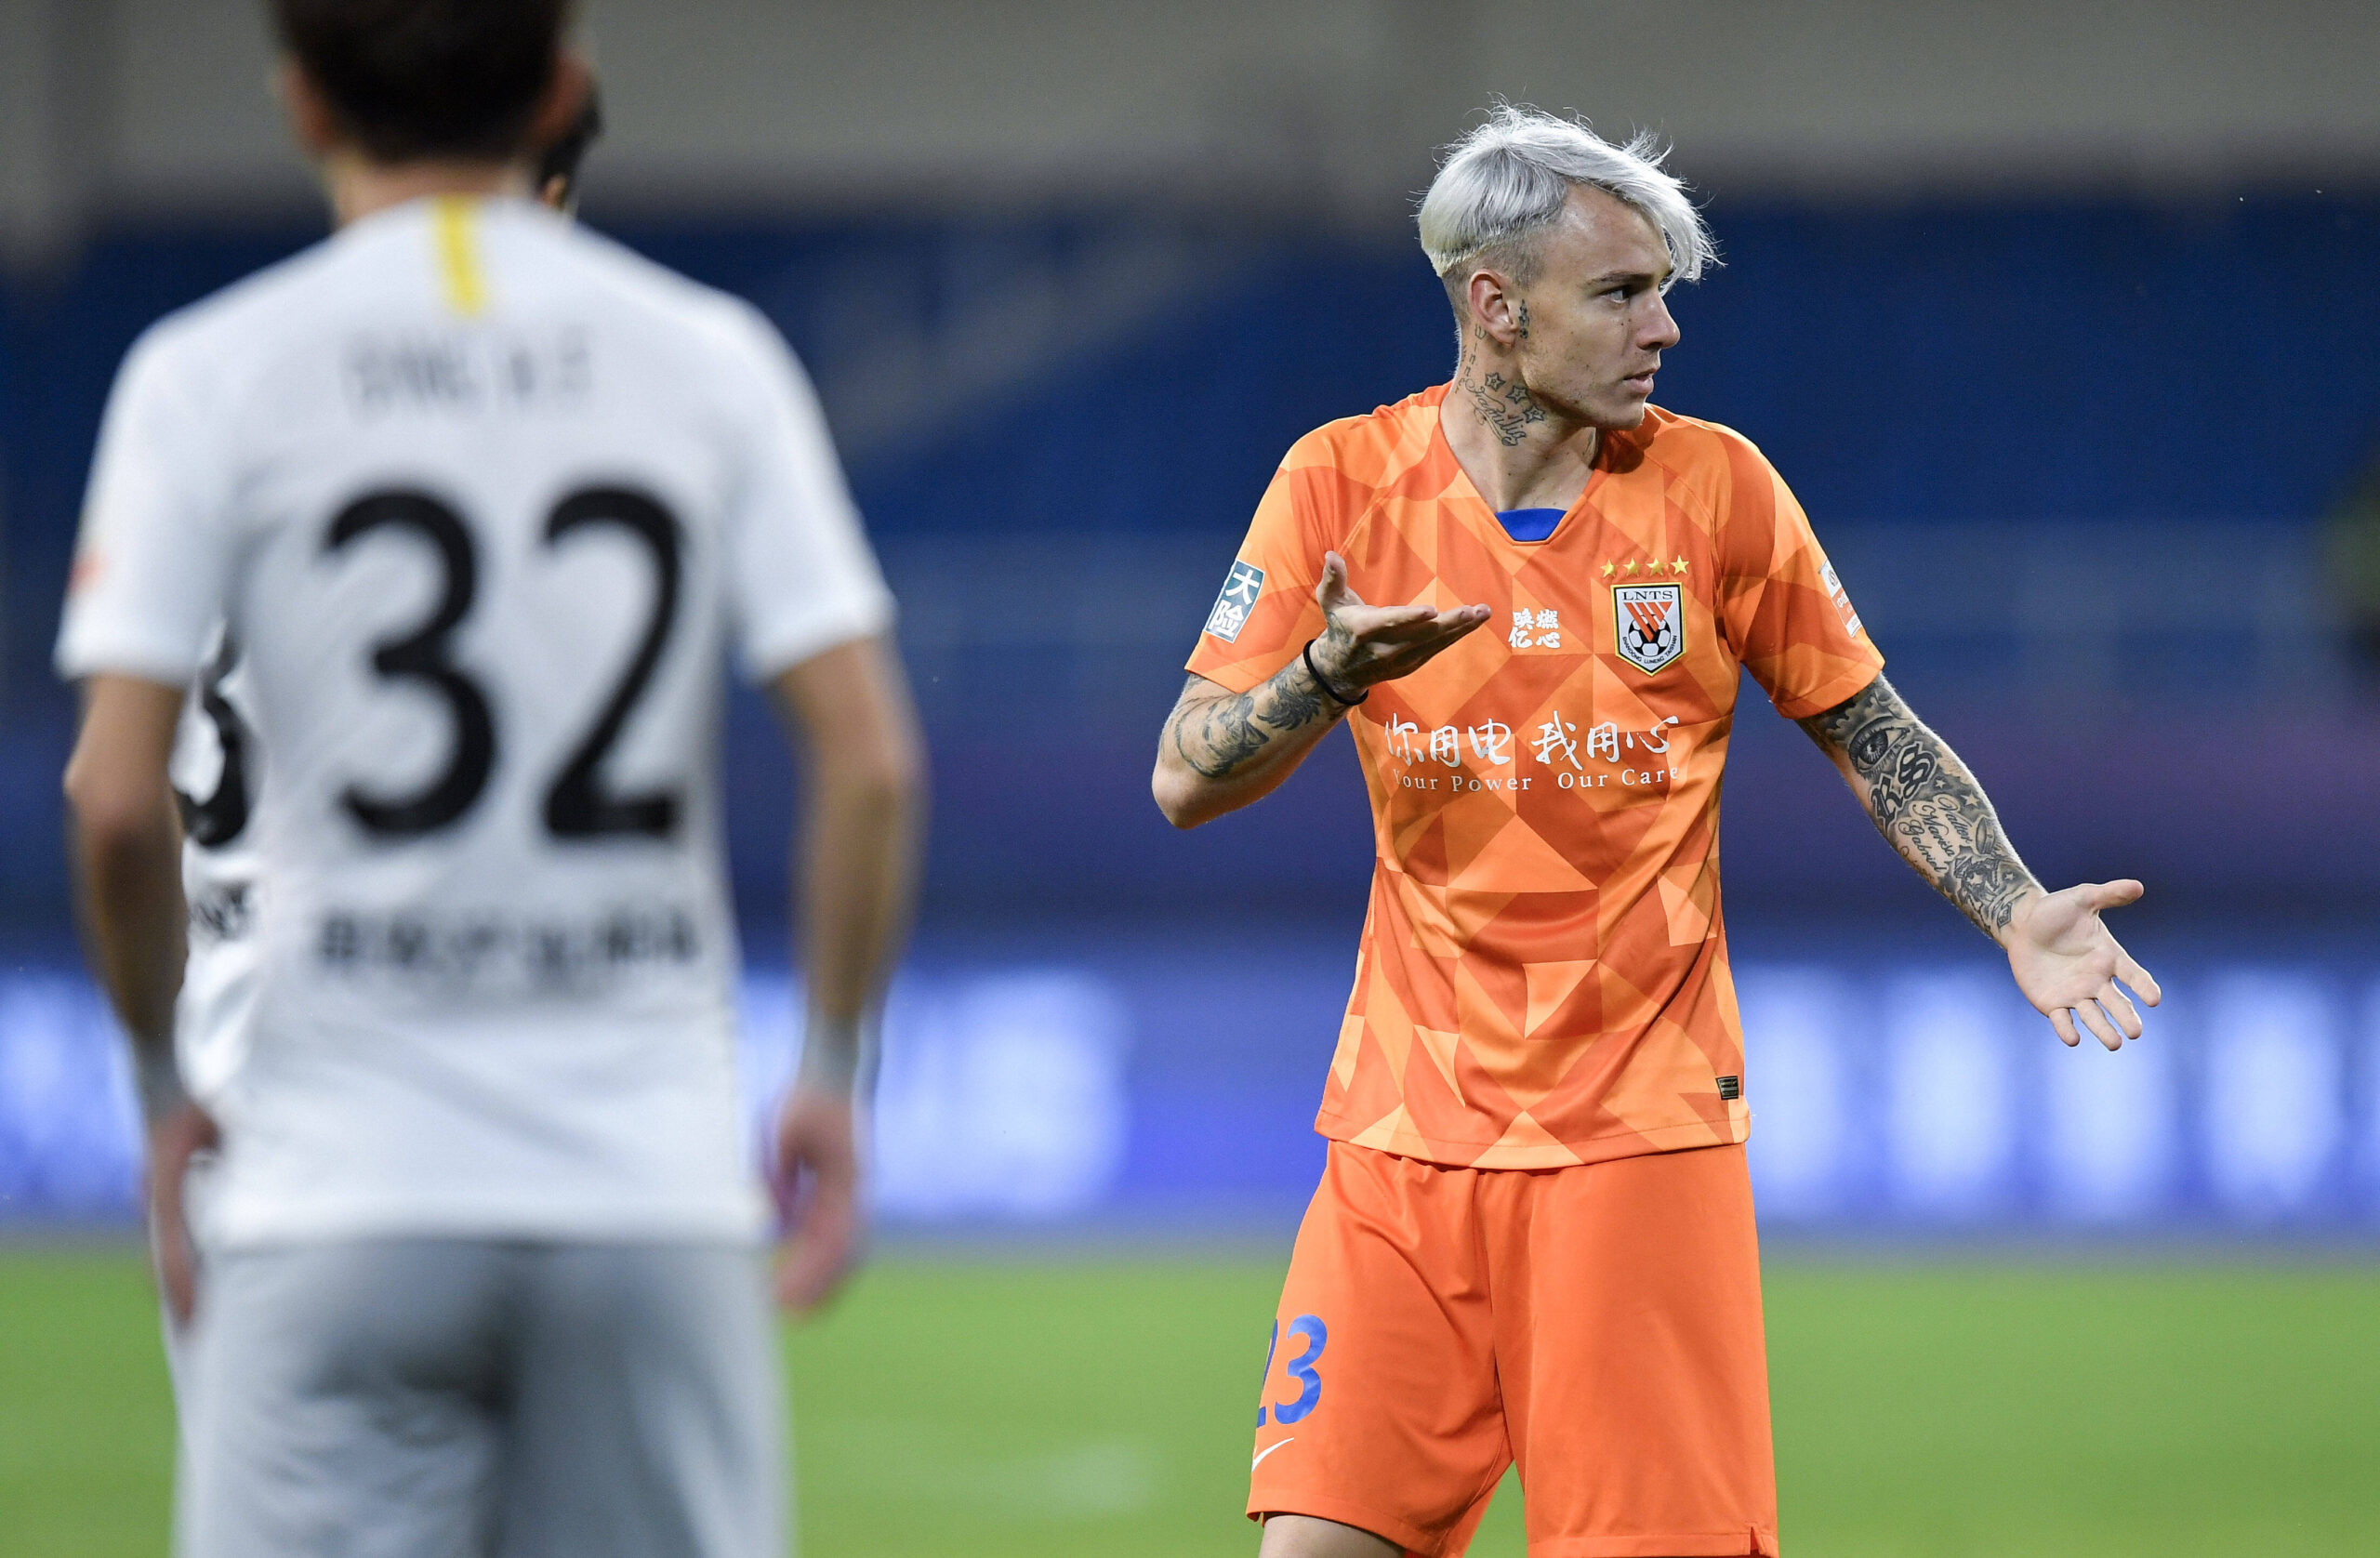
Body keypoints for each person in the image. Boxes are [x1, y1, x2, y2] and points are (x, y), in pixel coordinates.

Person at [1153, 105, 2160, 1558]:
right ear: (1495, 308)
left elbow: (1869, 729)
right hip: (1398, 1142)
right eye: (1623, 293)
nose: (1666, 329)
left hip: (1637, 1146)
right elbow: (1184, 776)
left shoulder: (1717, 491)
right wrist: (1324, 679)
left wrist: (2011, 905)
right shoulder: (1338, 487)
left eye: (1665, 291)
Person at [58, 3, 922, 1554]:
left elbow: (114, 800)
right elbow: (867, 760)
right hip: (644, 1182)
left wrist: (162, 1090)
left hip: (334, 1177)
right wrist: (833, 1075)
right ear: (564, 92)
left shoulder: (207, 375)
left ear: (302, 101)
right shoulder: (711, 360)